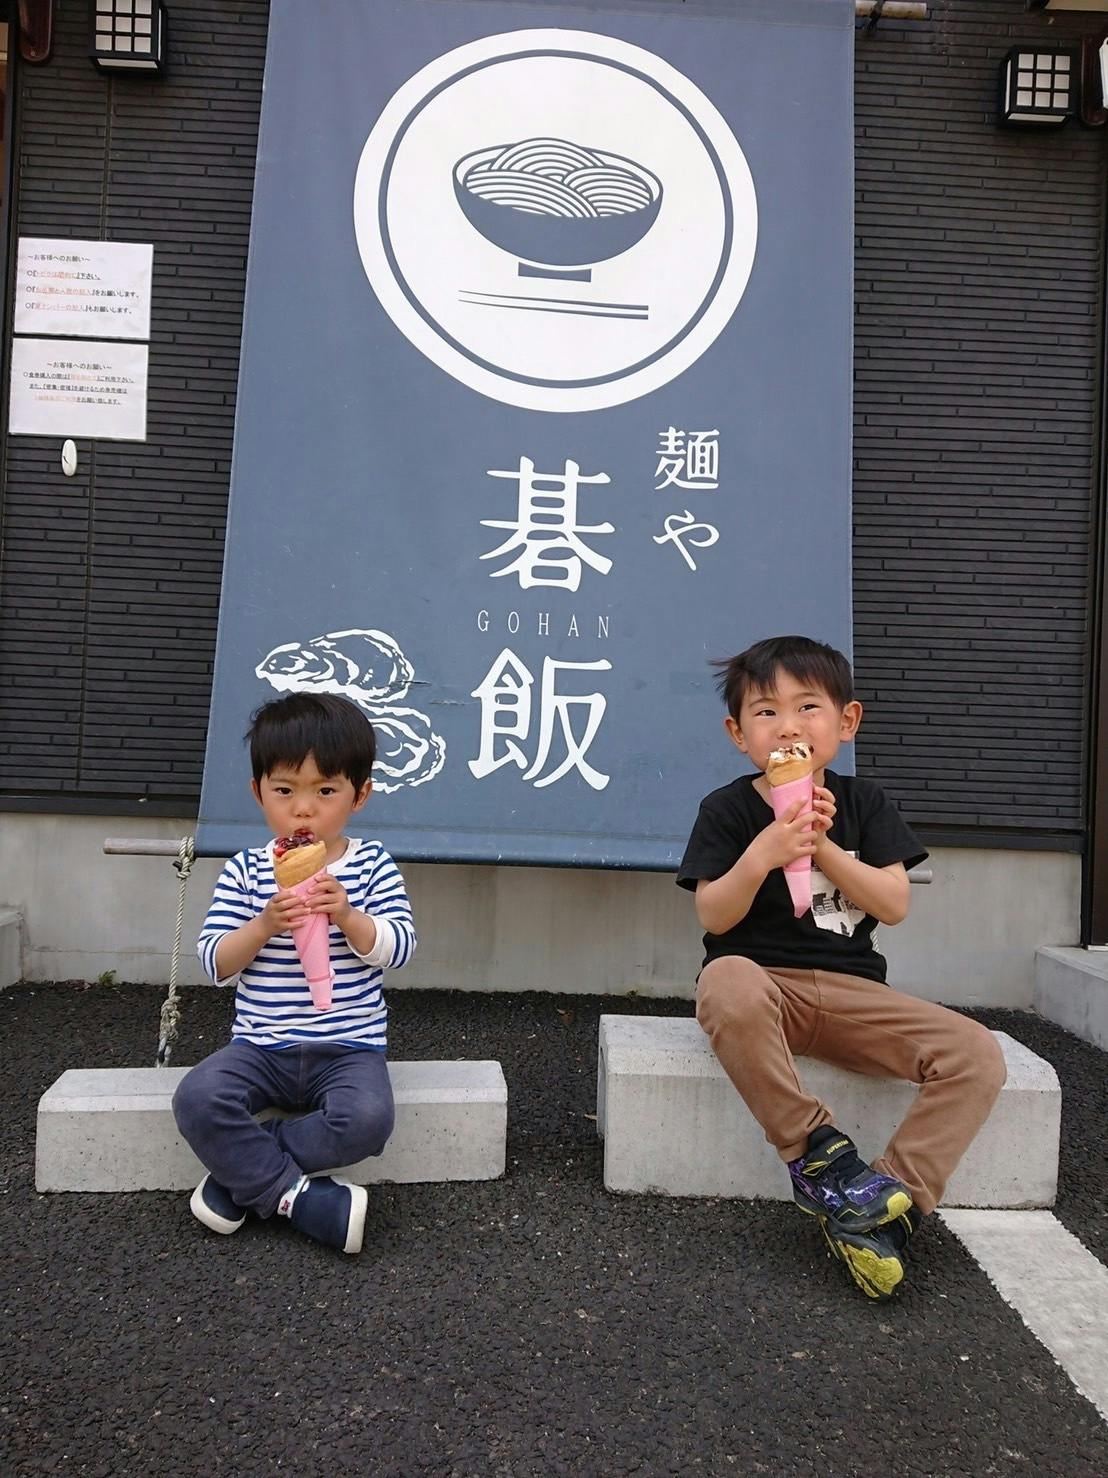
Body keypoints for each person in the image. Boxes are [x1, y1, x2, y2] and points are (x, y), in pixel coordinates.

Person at [677, 635, 1006, 1299]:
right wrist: (764, 852)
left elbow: (893, 903)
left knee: (976, 1054)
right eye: (766, 712)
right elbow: (713, 914)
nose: (788, 727)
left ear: (846, 722)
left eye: (808, 707)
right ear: (738, 734)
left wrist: (823, 847)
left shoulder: (864, 803)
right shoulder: (727, 809)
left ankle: (886, 1208)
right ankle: (819, 1156)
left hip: (856, 995)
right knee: (726, 981)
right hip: (764, 985)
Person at [173, 692, 416, 1254]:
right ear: (258, 792)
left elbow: (400, 947)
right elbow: (215, 962)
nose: (303, 810)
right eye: (284, 791)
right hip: (261, 1046)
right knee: (197, 1098)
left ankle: (245, 1164)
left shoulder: (372, 866)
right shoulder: (246, 870)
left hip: (349, 1047)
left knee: (368, 1120)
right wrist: (263, 925)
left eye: (325, 791)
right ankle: (297, 1198)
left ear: (360, 795)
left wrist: (349, 917)